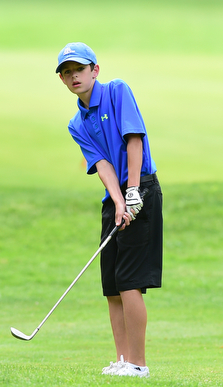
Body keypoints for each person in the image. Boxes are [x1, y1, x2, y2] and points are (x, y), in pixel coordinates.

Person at [56, 42, 163, 378]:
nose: (74, 77)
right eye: (67, 72)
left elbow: (135, 140)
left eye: (79, 70)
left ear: (95, 71)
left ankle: (139, 364)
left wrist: (132, 192)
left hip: (142, 186)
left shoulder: (117, 91)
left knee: (129, 281)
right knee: (112, 284)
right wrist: (117, 200)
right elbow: (101, 164)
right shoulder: (77, 123)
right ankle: (122, 359)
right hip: (115, 197)